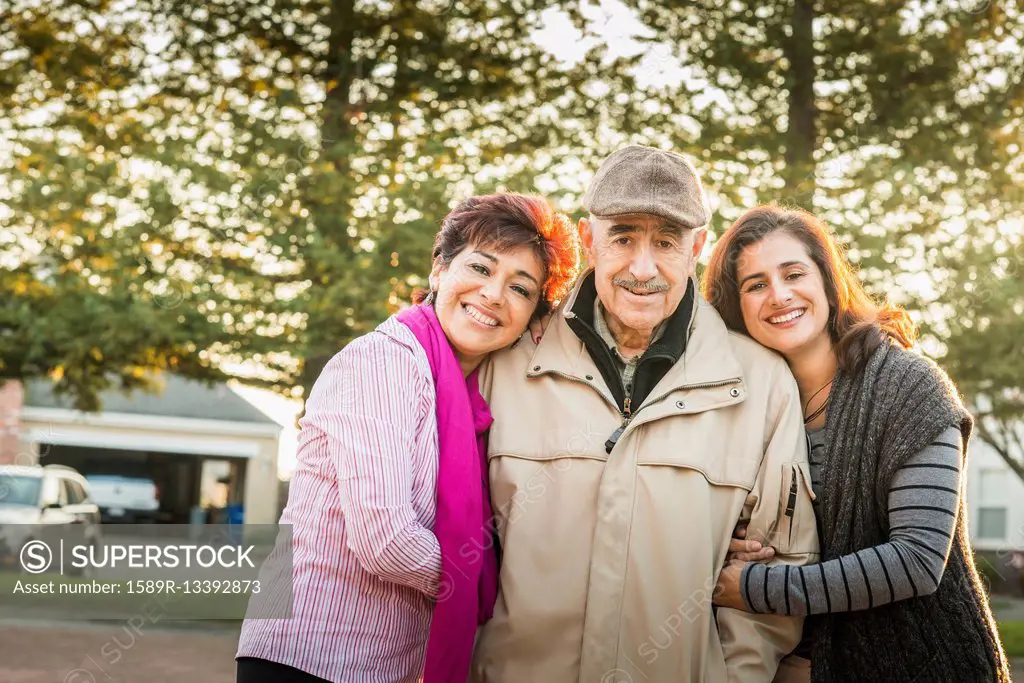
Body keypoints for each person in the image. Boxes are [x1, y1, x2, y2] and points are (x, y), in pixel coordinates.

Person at [471, 146, 820, 682]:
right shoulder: (506, 361)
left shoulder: (762, 383)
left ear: (696, 248)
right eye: (624, 236)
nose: (643, 267)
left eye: (665, 242)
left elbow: (780, 567)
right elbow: (455, 540)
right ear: (589, 241)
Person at [234, 193, 580, 683]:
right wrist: (497, 582)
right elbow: (386, 540)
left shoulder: (472, 401)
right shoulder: (383, 361)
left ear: (531, 318)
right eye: (481, 268)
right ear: (439, 269)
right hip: (303, 654)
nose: (493, 294)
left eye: (520, 289)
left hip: (382, 665)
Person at [705, 205, 1011, 683]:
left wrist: (752, 586)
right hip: (782, 665)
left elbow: (917, 560)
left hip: (918, 664)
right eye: (756, 284)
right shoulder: (739, 406)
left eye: (793, 274)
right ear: (736, 307)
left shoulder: (908, 385)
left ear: (828, 281)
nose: (779, 295)